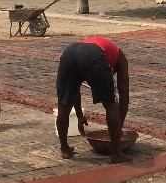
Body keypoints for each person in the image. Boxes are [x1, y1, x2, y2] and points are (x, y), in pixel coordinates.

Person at [55, 36, 130, 164]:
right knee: (110, 104)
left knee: (63, 104)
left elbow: (74, 90)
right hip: (93, 54)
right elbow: (124, 95)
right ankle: (116, 153)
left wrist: (80, 116)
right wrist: (118, 130)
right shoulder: (120, 58)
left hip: (69, 52)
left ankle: (65, 149)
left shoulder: (105, 48)